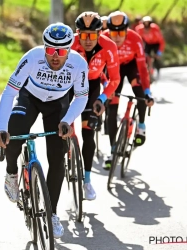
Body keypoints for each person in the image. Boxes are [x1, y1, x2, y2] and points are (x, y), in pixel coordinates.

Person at [0, 22, 89, 239]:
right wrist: (1, 129)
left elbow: (81, 97)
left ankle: (52, 213)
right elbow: (9, 92)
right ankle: (11, 173)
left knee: (57, 158)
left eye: (61, 51)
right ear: (44, 47)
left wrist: (66, 120)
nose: (55, 56)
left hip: (58, 104)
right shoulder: (32, 57)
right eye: (50, 50)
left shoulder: (78, 64)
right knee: (14, 134)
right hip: (30, 99)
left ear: (70, 50)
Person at [70, 11, 120, 199]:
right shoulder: (70, 43)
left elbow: (114, 80)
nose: (88, 40)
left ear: (100, 33)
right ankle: (67, 150)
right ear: (78, 33)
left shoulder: (109, 46)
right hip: (69, 84)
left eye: (92, 35)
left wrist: (102, 99)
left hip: (91, 86)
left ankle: (87, 181)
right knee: (62, 124)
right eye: (84, 35)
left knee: (88, 132)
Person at [102, 11, 155, 169]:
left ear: (127, 30)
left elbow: (143, 68)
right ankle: (112, 150)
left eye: (121, 32)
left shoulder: (135, 39)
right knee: (112, 110)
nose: (117, 37)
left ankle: (141, 127)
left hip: (131, 67)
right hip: (113, 70)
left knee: (139, 94)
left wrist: (147, 91)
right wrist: (105, 88)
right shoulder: (103, 38)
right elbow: (98, 66)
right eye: (113, 32)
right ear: (108, 30)